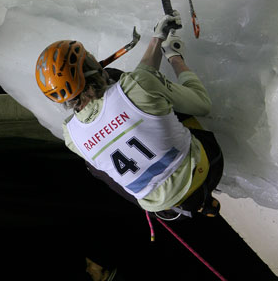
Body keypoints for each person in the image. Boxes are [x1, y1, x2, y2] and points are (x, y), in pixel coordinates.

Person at [35, 13, 223, 219]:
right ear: (88, 68)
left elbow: (136, 85)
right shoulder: (137, 84)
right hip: (207, 166)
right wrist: (174, 57)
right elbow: (202, 104)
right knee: (153, 98)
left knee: (94, 163)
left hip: (163, 205)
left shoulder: (72, 137)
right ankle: (175, 64)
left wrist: (157, 38)